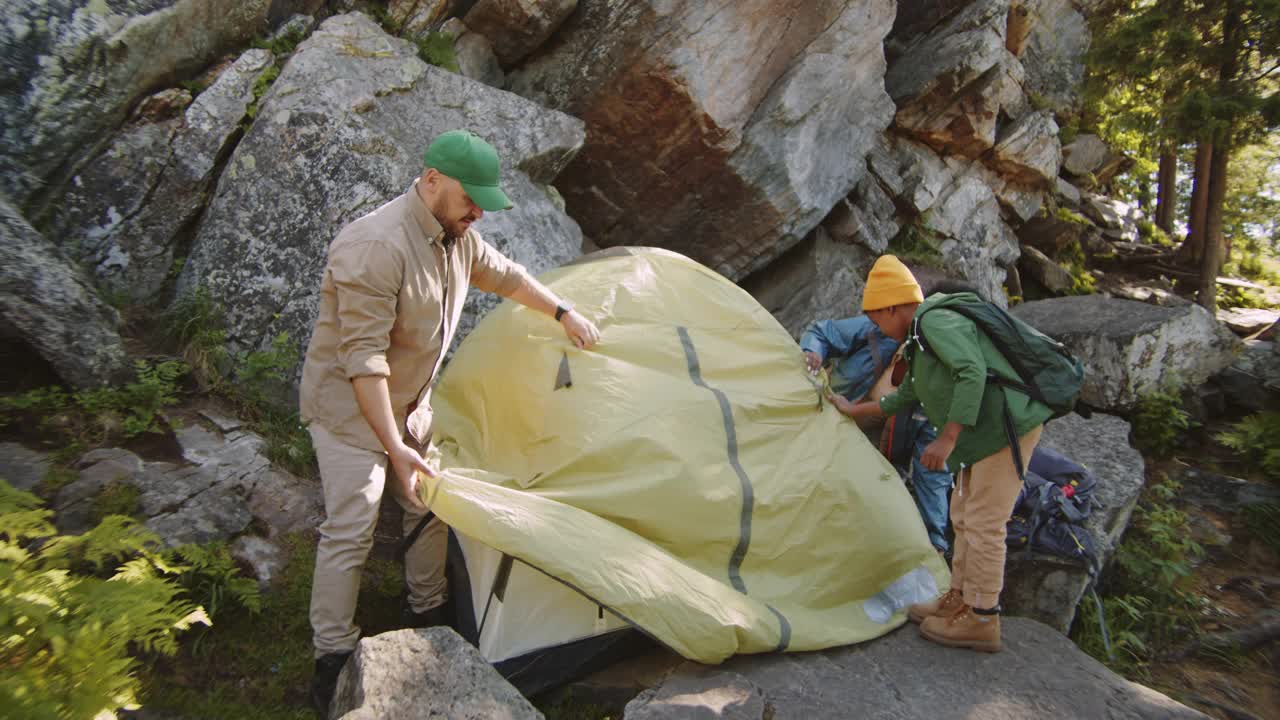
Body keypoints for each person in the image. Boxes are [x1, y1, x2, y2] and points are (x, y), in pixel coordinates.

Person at [299, 129, 601, 711]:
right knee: (353, 524)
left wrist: (562, 311)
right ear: (431, 179)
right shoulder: (376, 247)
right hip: (348, 413)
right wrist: (393, 446)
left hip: (411, 407)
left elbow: (506, 275)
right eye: (471, 198)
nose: (478, 211)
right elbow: (363, 363)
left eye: (484, 201)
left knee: (429, 506)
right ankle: (331, 657)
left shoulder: (456, 235)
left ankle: (427, 610)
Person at [827, 255, 1052, 653]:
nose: (876, 328)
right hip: (984, 433)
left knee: (984, 521)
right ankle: (960, 598)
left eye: (877, 318)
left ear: (894, 307)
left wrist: (946, 439)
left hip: (1006, 427)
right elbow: (906, 395)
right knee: (963, 514)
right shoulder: (918, 342)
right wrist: (854, 409)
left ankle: (983, 619)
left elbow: (971, 372)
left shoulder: (934, 320)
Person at [798, 278, 952, 555]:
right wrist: (813, 351)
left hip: (876, 457)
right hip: (829, 428)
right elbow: (822, 332)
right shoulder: (875, 329)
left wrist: (935, 540)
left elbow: (932, 471)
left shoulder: (932, 374)